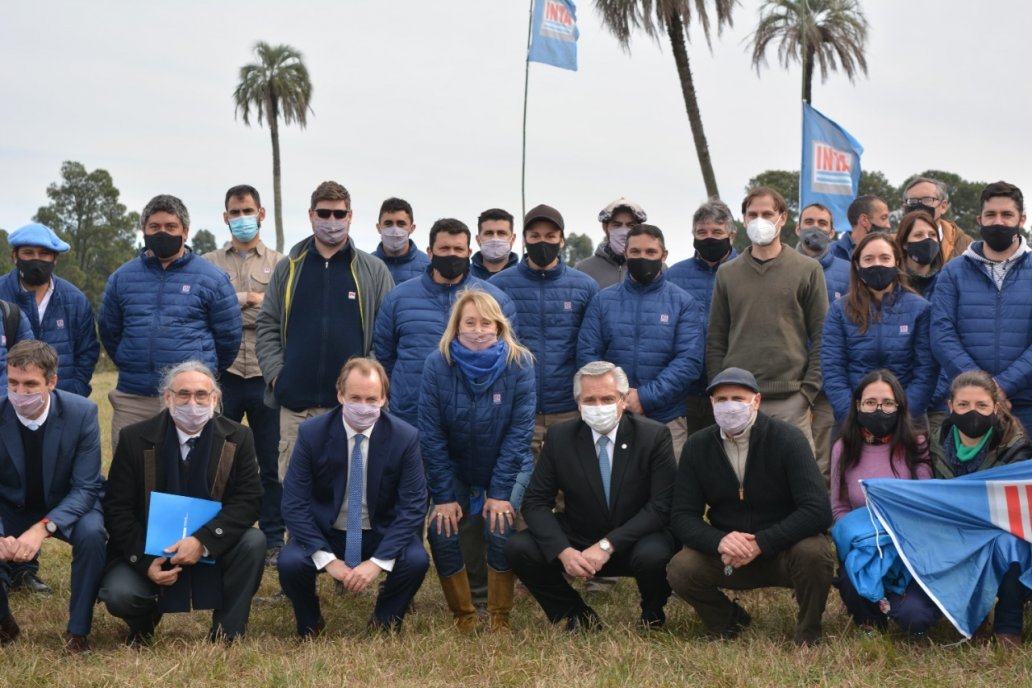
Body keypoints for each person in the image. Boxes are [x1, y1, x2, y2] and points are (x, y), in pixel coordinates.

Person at [98, 361, 265, 645]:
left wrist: (203, 540)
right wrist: (147, 560)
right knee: (120, 594)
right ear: (168, 398)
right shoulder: (134, 439)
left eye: (202, 395)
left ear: (215, 399)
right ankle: (143, 624)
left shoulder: (239, 437)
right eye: (183, 394)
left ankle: (227, 633)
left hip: (213, 546)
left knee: (254, 541)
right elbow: (117, 508)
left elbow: (249, 500)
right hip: (152, 547)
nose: (193, 402)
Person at [666, 367, 834, 646]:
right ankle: (727, 621)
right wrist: (720, 541)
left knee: (815, 552)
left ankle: (809, 632)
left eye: (738, 398)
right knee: (681, 568)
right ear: (711, 404)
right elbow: (682, 517)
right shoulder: (697, 447)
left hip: (784, 550)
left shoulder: (788, 439)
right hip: (730, 557)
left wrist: (763, 542)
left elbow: (817, 510)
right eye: (721, 400)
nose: (729, 406)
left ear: (756, 401)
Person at [506, 361, 677, 630]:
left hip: (635, 538)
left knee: (655, 555)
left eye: (607, 398)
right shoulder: (561, 436)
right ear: (578, 403)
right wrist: (563, 551)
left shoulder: (653, 436)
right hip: (581, 534)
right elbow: (536, 502)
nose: (599, 406)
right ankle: (576, 615)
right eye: (590, 399)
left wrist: (608, 545)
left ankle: (652, 613)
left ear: (623, 400)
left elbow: (661, 506)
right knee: (519, 548)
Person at [278, 358, 429, 636]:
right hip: (328, 531)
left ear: (384, 398)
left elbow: (413, 506)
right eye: (355, 398)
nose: (363, 406)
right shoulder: (312, 433)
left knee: (417, 559)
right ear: (340, 395)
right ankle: (310, 623)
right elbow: (294, 502)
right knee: (289, 562)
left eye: (372, 398)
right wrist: (328, 560)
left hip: (379, 531)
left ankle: (385, 621)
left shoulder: (405, 437)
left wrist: (377, 563)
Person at [256, 181, 394, 481]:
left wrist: (367, 387)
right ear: (311, 215)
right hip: (296, 409)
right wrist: (277, 375)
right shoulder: (289, 267)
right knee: (297, 499)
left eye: (338, 214)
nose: (332, 221)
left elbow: (386, 333)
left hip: (352, 410)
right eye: (324, 213)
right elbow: (267, 324)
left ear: (350, 216)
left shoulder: (373, 270)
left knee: (351, 500)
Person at [419, 290, 535, 633]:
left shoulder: (521, 363)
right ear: (456, 326)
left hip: (509, 463)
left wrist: (498, 493)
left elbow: (520, 433)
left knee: (499, 526)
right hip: (454, 466)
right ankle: (465, 615)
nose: (478, 329)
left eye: (486, 322)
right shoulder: (437, 364)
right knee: (441, 530)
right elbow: (431, 434)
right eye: (469, 322)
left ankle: (499, 616)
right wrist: (443, 496)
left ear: (499, 326)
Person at [99, 194, 242, 453]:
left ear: (185, 232)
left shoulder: (212, 279)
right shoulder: (122, 278)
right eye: (155, 227)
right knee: (130, 472)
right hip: (135, 396)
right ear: (144, 230)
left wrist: (201, 371)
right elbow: (110, 331)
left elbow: (229, 338)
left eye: (170, 227)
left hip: (192, 397)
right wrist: (131, 359)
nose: (162, 232)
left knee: (194, 471)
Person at [0, 341, 106, 652]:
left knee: (92, 533)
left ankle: (78, 630)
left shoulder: (82, 412)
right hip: (9, 505)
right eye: (13, 383)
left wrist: (42, 528)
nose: (20, 393)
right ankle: (3, 623)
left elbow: (86, 486)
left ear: (52, 382)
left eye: (30, 384)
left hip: (67, 502)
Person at [706, 187, 828, 451]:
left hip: (790, 397)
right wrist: (719, 390)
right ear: (744, 219)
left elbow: (822, 336)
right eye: (753, 214)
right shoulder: (727, 273)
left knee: (793, 480)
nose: (759, 219)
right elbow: (716, 337)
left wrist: (807, 393)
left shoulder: (807, 269)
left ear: (782, 218)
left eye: (767, 213)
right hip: (737, 398)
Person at [202, 185, 286, 565]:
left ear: (262, 213)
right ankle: (211, 535)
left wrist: (236, 306)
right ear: (225, 217)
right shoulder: (208, 263)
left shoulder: (282, 264)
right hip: (224, 373)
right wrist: (244, 300)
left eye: (248, 210)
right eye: (235, 212)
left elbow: (278, 315)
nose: (241, 218)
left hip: (266, 373)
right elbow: (208, 311)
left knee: (270, 462)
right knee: (216, 458)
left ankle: (273, 538)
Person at [374, 217, 516, 427]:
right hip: (412, 416)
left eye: (458, 249)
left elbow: (508, 357)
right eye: (445, 248)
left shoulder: (495, 300)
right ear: (430, 252)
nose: (452, 255)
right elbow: (384, 356)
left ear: (469, 252)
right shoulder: (398, 298)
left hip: (473, 420)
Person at [829, 369, 938, 635]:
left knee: (917, 620)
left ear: (900, 407)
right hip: (863, 550)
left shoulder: (917, 444)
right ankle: (869, 614)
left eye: (888, 403)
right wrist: (859, 541)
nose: (879, 409)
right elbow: (839, 505)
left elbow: (925, 506)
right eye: (870, 402)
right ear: (858, 406)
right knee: (854, 589)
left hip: (910, 553)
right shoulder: (843, 447)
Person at [578, 224, 703, 459]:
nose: (642, 257)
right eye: (635, 252)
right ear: (626, 254)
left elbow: (689, 361)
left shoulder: (683, 303)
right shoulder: (602, 301)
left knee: (667, 492)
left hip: (668, 419)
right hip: (611, 418)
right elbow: (588, 354)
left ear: (663, 255)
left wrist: (644, 398)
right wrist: (616, 397)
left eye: (650, 252)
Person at [929, 370, 1032, 645]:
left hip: (1000, 529)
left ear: (996, 408)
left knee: (1011, 545)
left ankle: (1008, 625)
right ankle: (972, 618)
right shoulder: (934, 442)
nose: (972, 412)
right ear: (950, 406)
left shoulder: (1016, 446)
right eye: (963, 405)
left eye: (982, 405)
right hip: (952, 528)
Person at [491, 204, 599, 459]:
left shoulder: (584, 287)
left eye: (550, 236)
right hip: (517, 407)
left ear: (561, 240)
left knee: (570, 489)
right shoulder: (498, 286)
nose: (543, 242)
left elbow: (592, 345)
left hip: (568, 408)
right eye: (535, 236)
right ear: (524, 239)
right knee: (520, 488)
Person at [932, 181, 1032, 433]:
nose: (998, 222)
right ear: (979, 219)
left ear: (1022, 218)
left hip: (1026, 403)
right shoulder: (953, 272)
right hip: (968, 405)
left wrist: (1004, 386)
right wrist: (983, 388)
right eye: (991, 215)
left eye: (1007, 215)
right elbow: (941, 334)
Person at [822, 233, 937, 429]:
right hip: (852, 423)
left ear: (897, 262)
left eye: (885, 258)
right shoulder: (839, 310)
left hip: (908, 422)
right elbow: (832, 369)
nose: (877, 264)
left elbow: (926, 371)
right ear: (857, 265)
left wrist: (901, 417)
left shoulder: (921, 309)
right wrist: (853, 416)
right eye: (869, 259)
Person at [0, 223, 98, 396]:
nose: (36, 260)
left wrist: (74, 393)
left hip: (61, 404)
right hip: (7, 405)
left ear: (55, 259)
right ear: (15, 256)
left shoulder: (75, 300)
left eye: (44, 254)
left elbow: (87, 353)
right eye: (28, 253)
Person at [666, 200, 738, 437]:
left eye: (717, 232)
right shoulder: (674, 275)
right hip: (685, 391)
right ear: (693, 235)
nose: (709, 238)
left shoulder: (745, 272)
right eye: (702, 232)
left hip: (733, 385)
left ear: (732, 235)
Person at [576, 197, 648, 288]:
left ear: (639, 229)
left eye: (631, 225)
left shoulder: (656, 268)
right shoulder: (583, 269)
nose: (624, 231)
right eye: (617, 225)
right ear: (605, 228)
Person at [901, 176, 973, 263]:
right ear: (904, 208)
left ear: (943, 206)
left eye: (927, 200)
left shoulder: (967, 247)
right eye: (912, 201)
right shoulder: (891, 245)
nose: (919, 205)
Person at [796, 203, 850, 302]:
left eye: (822, 223)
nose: (815, 227)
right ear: (798, 229)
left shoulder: (849, 272)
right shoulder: (782, 267)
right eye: (809, 222)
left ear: (831, 233)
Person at [371, 197, 430, 284]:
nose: (395, 229)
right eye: (388, 223)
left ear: (412, 228)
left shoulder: (428, 267)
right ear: (379, 228)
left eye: (401, 224)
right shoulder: (366, 265)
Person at [895, 210, 943, 298]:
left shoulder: (946, 282)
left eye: (932, 234)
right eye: (919, 235)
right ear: (904, 244)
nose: (927, 240)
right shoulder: (893, 283)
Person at [831, 195, 892, 262]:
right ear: (864, 220)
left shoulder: (891, 252)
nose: (888, 226)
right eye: (883, 218)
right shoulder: (831, 253)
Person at [470, 208, 518, 280]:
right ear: (478, 239)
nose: (495, 239)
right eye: (489, 233)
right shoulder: (463, 276)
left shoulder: (526, 276)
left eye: (501, 233)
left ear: (513, 239)